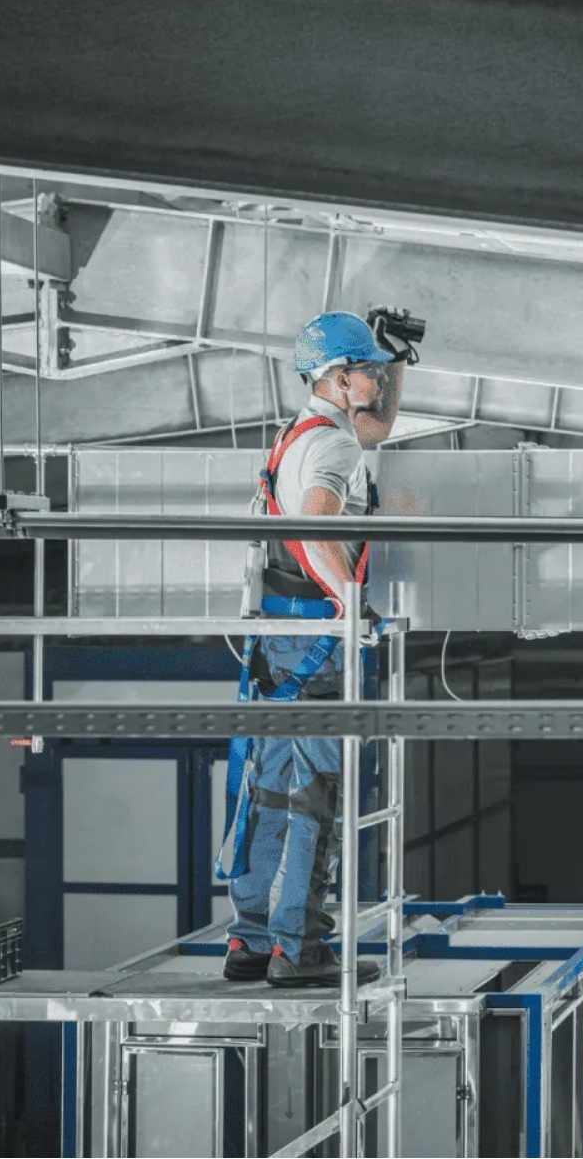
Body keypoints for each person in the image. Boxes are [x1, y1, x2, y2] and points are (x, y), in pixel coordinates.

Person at [214, 309, 415, 986]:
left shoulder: (306, 431)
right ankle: (299, 949)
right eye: (368, 369)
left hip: (276, 629)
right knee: (314, 793)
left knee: (269, 784)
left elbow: (379, 424)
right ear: (335, 378)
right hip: (315, 633)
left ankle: (249, 940)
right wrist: (351, 608)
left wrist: (401, 359)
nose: (376, 378)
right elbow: (312, 528)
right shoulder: (333, 449)